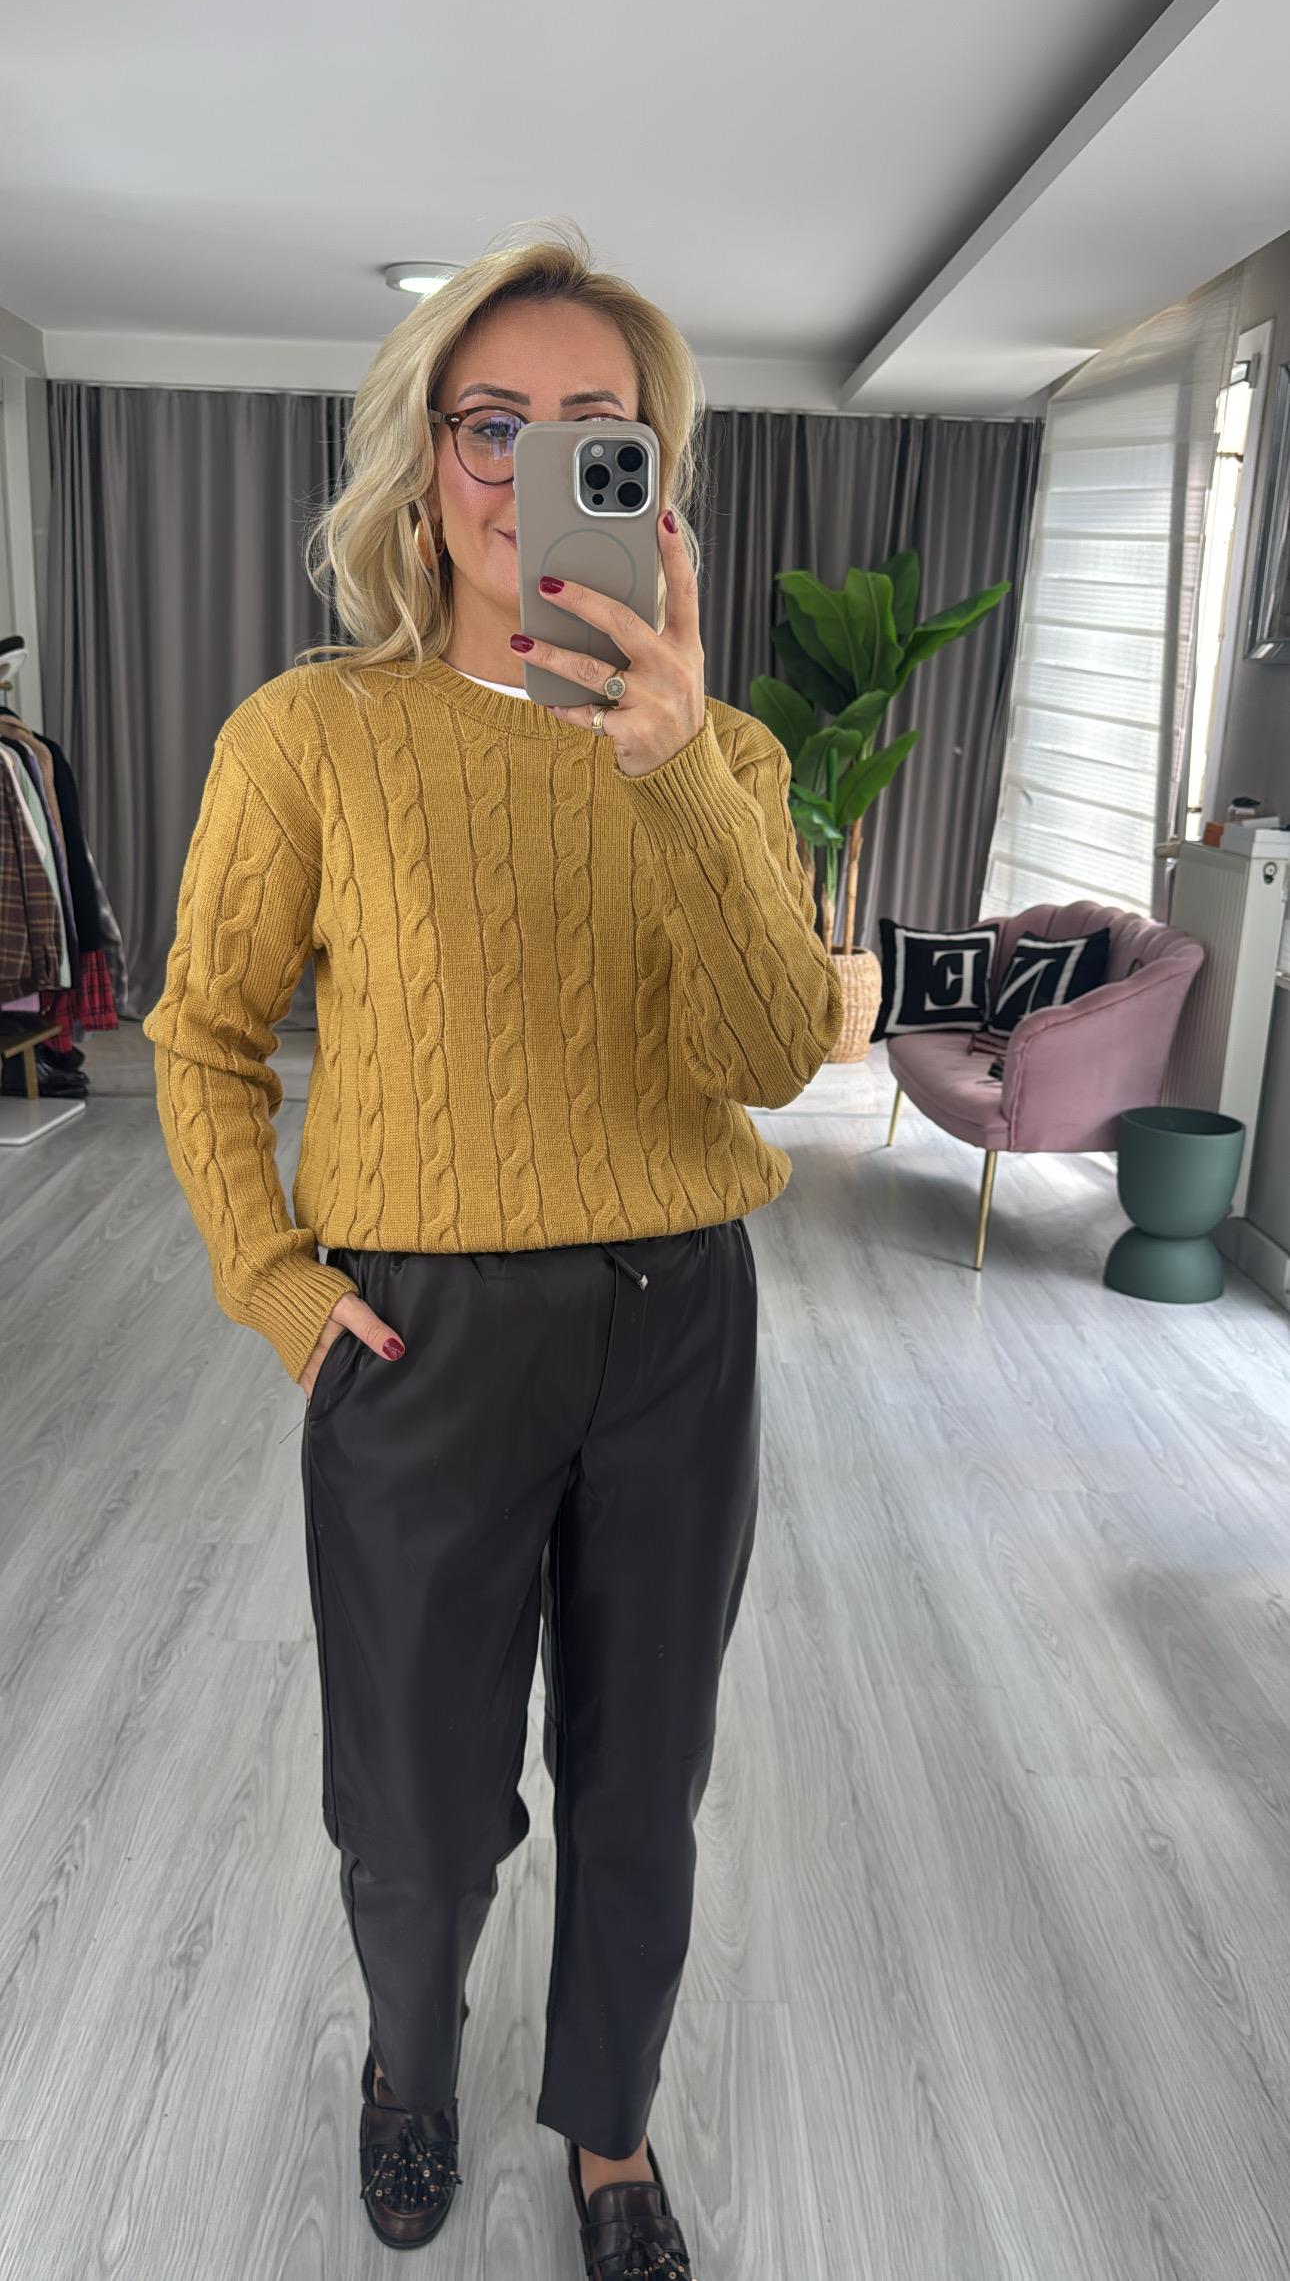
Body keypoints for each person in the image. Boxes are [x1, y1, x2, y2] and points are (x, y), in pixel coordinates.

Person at [142, 216, 843, 2272]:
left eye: (593, 431)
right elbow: (199, 1035)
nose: (534, 473)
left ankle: (610, 2136)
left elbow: (775, 1053)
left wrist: (674, 771)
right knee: (418, 1805)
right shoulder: (309, 738)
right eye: (492, 425)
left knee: (643, 1783)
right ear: (427, 460)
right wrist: (276, 1283)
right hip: (419, 1335)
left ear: (653, 475)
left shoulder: (730, 758)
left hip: (677, 1324)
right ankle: (409, 2063)